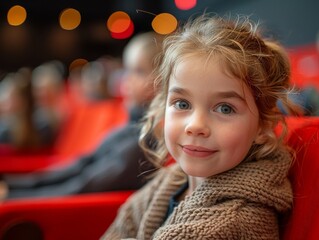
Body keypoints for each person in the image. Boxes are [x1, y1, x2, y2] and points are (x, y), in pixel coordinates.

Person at [101, 14, 299, 239]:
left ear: (263, 126)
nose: (195, 126)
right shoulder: (172, 180)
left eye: (225, 108)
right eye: (182, 104)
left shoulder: (232, 224)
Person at [0, 31, 163, 200]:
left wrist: (12, 195)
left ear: (161, 81)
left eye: (137, 71)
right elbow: (79, 167)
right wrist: (11, 186)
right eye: (126, 70)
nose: (125, 80)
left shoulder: (144, 143)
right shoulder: (128, 130)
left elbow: (83, 186)